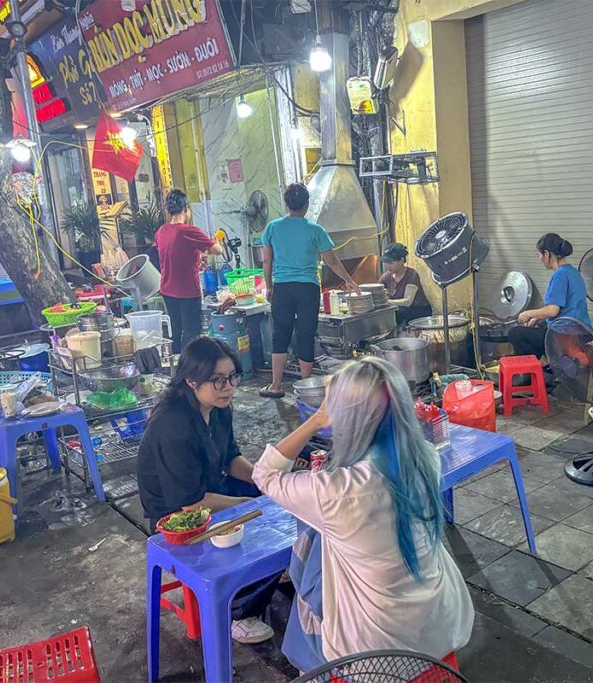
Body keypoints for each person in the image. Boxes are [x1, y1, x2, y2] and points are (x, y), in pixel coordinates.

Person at [252, 357, 474, 671]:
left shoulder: (338, 491)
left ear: (347, 418)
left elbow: (264, 475)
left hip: (373, 657)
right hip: (440, 623)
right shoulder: (424, 458)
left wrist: (316, 419)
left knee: (309, 585)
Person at [136, 337, 277, 644]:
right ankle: (239, 612)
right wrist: (249, 505)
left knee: (274, 504)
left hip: (207, 490)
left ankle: (263, 577)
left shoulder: (218, 407)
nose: (228, 387)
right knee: (260, 522)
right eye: (217, 380)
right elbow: (189, 504)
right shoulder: (173, 424)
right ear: (191, 379)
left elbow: (230, 458)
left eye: (232, 377)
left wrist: (267, 480)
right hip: (176, 519)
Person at [259, 183, 360, 398]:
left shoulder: (273, 228)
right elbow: (331, 261)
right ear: (306, 205)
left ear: (287, 204)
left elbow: (267, 260)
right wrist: (349, 280)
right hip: (308, 288)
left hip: (283, 288)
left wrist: (269, 286)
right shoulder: (315, 230)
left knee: (281, 335)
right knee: (306, 335)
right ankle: (305, 388)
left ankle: (276, 386)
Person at [154, 189, 224, 353]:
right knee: (191, 331)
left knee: (176, 331)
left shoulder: (161, 231)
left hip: (167, 289)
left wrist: (197, 258)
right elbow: (218, 250)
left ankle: (178, 366)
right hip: (187, 291)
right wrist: (216, 241)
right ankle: (190, 369)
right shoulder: (189, 230)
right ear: (186, 209)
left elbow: (173, 254)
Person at [508, 233, 591, 359]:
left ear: (547, 254)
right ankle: (546, 367)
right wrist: (536, 318)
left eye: (539, 255)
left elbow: (552, 310)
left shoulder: (560, 275)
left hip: (564, 337)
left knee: (515, 333)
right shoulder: (573, 272)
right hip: (582, 333)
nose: (540, 259)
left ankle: (531, 373)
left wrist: (528, 314)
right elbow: (563, 307)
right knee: (539, 326)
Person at [379, 243, 433, 325]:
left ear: (401, 260)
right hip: (401, 311)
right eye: (386, 262)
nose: (387, 266)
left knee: (397, 313)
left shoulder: (411, 275)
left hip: (418, 311)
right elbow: (376, 291)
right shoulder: (386, 277)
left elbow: (408, 301)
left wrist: (387, 302)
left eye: (391, 262)